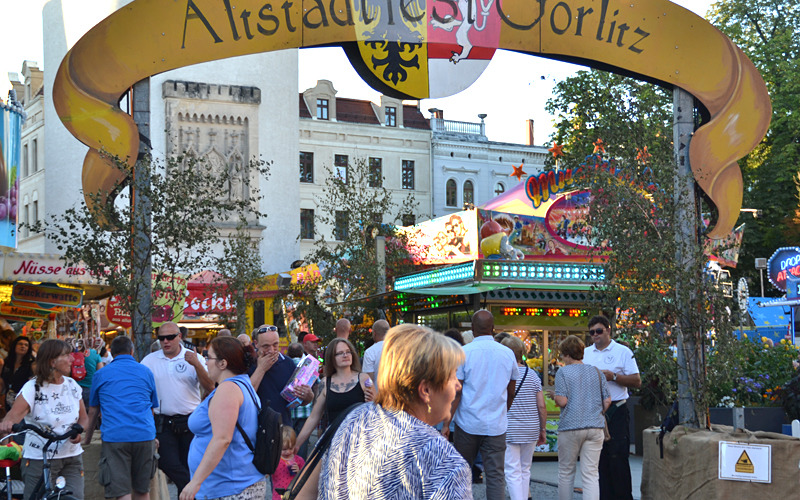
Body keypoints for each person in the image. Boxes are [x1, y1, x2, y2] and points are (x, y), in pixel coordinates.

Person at [318, 324, 471, 498]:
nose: (458, 385)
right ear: (425, 390)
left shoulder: (352, 420)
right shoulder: (444, 462)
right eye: (451, 376)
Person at [0, 339, 90, 499]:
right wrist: (8, 423)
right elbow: (13, 416)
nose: (72, 359)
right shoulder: (32, 388)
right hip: (39, 459)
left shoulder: (72, 385)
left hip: (71, 457)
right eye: (67, 355)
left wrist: (78, 429)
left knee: (75, 496)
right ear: (52, 361)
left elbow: (84, 418)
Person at [180, 336, 266, 500]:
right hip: (232, 485)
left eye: (208, 357)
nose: (205, 362)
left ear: (223, 363)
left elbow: (222, 439)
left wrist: (195, 482)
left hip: (230, 488)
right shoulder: (242, 384)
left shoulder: (228, 390)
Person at [444, 309, 518, 499]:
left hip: (467, 423)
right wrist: (503, 411)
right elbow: (511, 391)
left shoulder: (463, 353)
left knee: (461, 473)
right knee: (495, 476)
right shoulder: (508, 354)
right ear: (493, 328)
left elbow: (457, 392)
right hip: (496, 426)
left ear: (473, 329)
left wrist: (446, 423)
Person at [141, 322, 215, 494]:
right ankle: (195, 490)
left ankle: (189, 492)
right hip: (163, 422)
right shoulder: (149, 361)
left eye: (170, 337)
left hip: (190, 421)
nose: (165, 341)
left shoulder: (194, 357)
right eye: (161, 338)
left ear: (179, 337)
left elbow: (210, 386)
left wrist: (196, 364)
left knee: (189, 465)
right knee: (167, 463)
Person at [84, 336, 159, 500]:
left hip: (115, 437)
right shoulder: (146, 371)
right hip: (144, 435)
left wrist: (87, 440)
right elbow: (151, 407)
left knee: (121, 492)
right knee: (142, 490)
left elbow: (93, 411)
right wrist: (153, 436)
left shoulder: (101, 373)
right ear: (131, 351)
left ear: (113, 352)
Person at [582, 316, 641, 500]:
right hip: (594, 409)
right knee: (598, 459)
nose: (595, 335)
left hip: (616, 409)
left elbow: (637, 381)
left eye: (599, 331)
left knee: (618, 457)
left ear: (608, 330)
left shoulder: (623, 351)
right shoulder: (585, 353)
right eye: (592, 332)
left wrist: (614, 376)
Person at [553, 335, 611, 500]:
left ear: (567, 354)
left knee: (566, 471)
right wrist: (594, 410)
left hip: (570, 426)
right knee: (591, 474)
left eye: (563, 355)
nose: (562, 358)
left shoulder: (563, 372)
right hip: (594, 427)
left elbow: (563, 400)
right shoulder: (596, 372)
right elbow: (607, 400)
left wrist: (554, 397)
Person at [294, 338, 374, 453]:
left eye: (348, 351)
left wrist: (372, 402)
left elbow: (378, 409)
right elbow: (314, 417)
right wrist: (297, 444)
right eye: (340, 353)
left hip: (361, 445)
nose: (345, 355)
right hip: (335, 445)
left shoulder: (364, 379)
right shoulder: (325, 383)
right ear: (332, 358)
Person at [501, 336, 546, 500]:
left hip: (510, 428)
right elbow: (541, 406)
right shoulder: (532, 375)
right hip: (531, 427)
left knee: (512, 470)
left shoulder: (503, 375)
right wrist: (543, 429)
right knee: (526, 468)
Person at [249, 325, 313, 426]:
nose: (271, 350)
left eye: (275, 345)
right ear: (256, 344)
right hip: (256, 430)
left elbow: (295, 401)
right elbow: (246, 396)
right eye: (266, 346)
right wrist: (261, 369)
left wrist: (308, 396)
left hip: (283, 429)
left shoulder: (288, 363)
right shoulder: (248, 364)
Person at [1, 336, 35, 411]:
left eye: (26, 345)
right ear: (14, 346)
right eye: (20, 344)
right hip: (8, 399)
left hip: (24, 400)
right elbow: (3, 380)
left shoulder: (31, 364)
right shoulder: (7, 362)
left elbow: (33, 384)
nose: (23, 346)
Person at [271, 426, 305, 500]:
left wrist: (299, 472)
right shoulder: (275, 460)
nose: (288, 452)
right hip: (278, 497)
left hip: (295, 496)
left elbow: (305, 478)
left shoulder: (299, 460)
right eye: (284, 449)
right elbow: (266, 474)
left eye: (291, 448)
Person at [75, 338, 105, 407]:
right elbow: (100, 373)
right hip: (91, 388)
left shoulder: (76, 354)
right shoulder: (96, 354)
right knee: (90, 411)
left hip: (76, 387)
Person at [362, 319, 390, 386]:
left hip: (377, 394)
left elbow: (368, 380)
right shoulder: (399, 349)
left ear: (374, 333)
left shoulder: (370, 352)